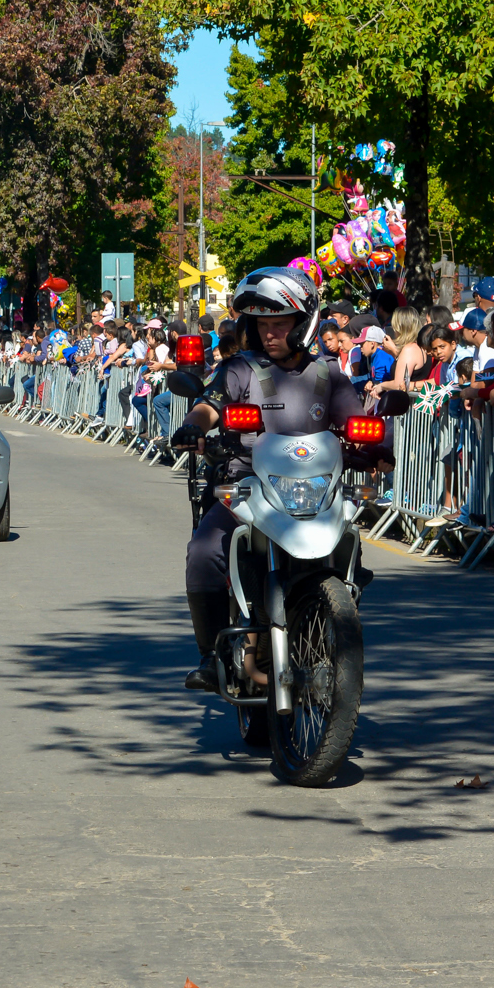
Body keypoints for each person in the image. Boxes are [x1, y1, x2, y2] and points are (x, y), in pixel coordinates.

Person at [169, 266, 369, 693]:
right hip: (248, 487)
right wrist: (194, 426)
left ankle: (334, 617)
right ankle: (211, 653)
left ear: (303, 323)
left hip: (314, 493)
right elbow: (210, 405)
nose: (269, 333)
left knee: (351, 545)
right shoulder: (239, 369)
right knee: (203, 552)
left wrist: (377, 444)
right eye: (261, 325)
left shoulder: (328, 374)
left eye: (279, 324)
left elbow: (358, 421)